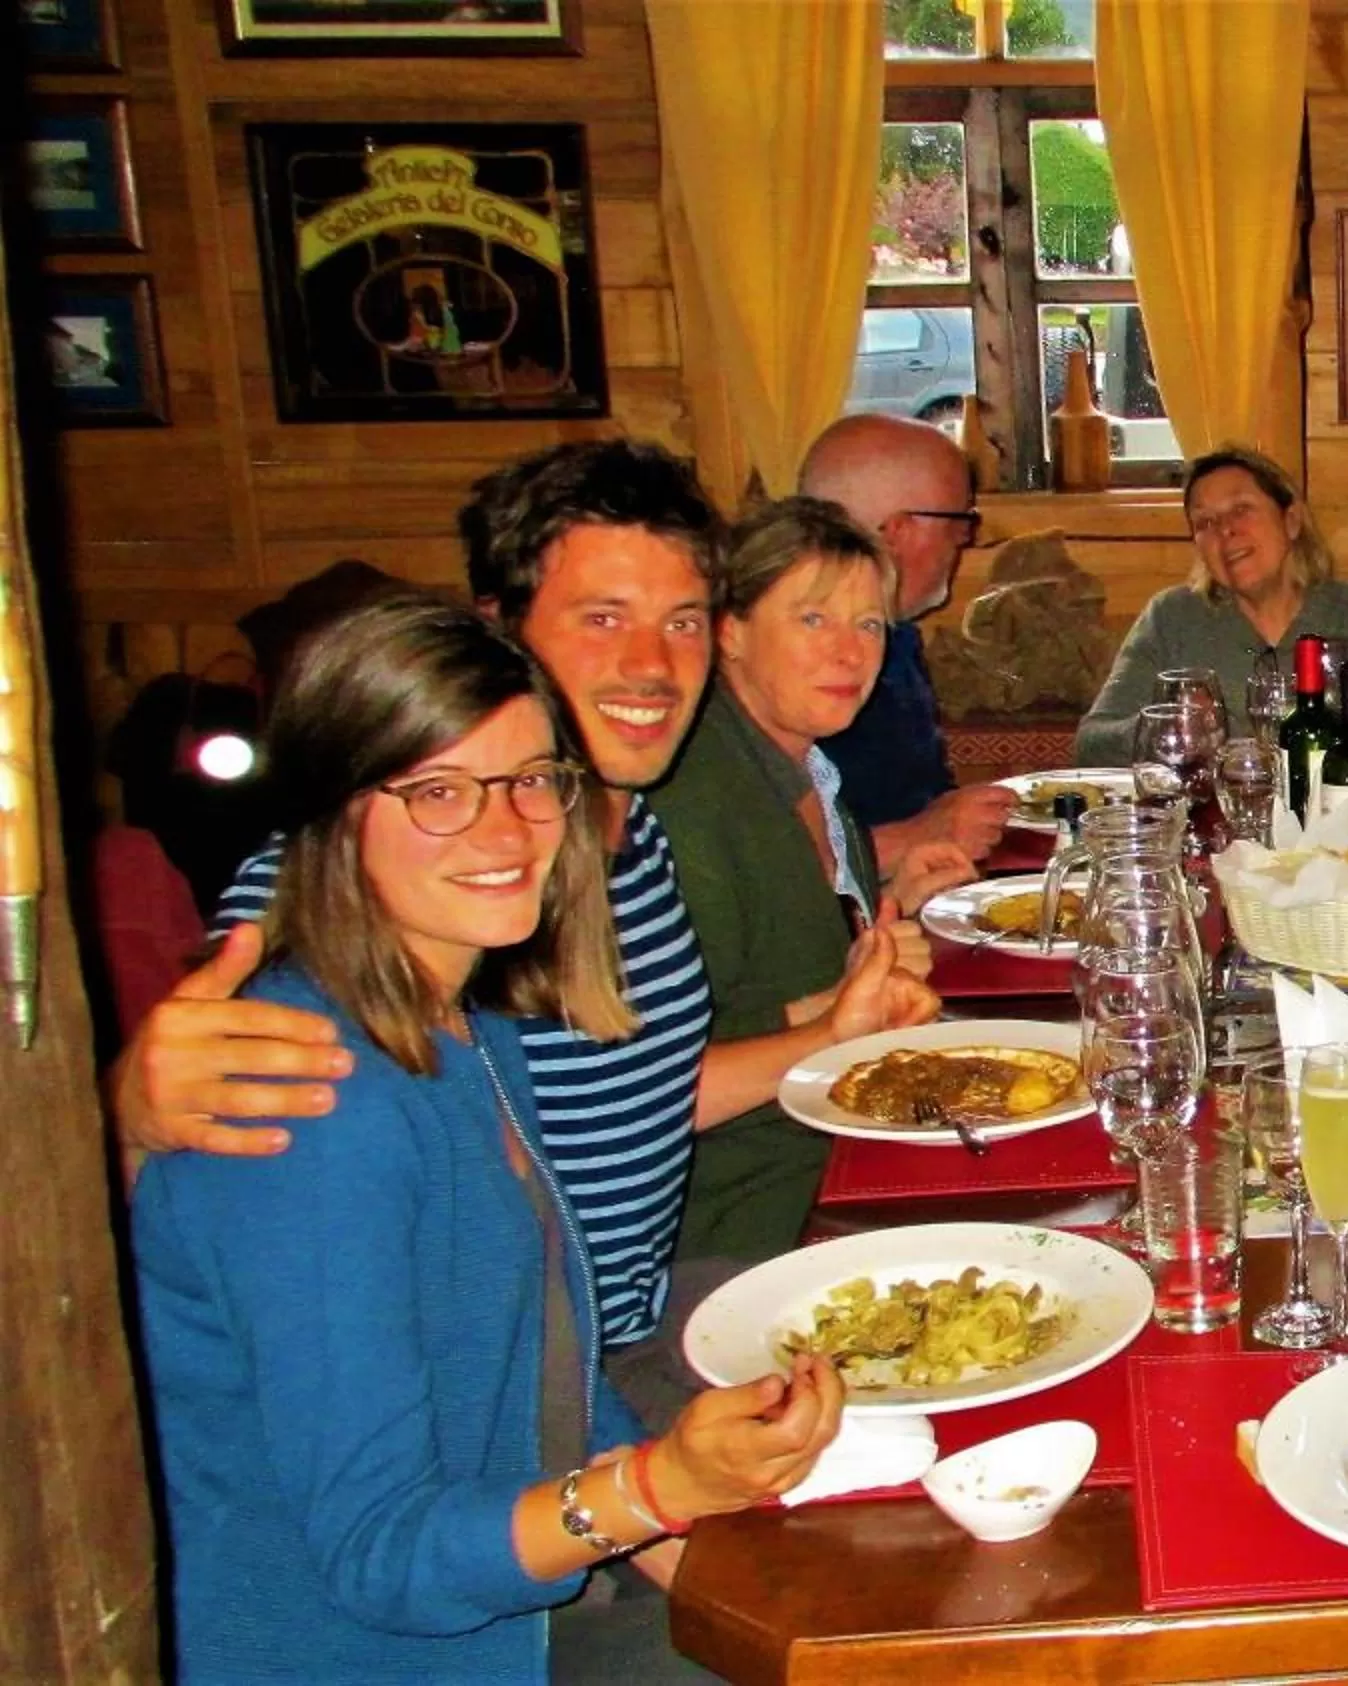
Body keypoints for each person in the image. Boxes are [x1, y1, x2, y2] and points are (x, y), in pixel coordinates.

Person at [112, 440, 936, 1425]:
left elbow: (635, 1097)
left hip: (634, 1330)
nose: (649, 665)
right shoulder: (422, 864)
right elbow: (212, 1125)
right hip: (510, 1417)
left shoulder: (628, 842)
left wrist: (826, 1039)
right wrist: (130, 1107)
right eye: (601, 619)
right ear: (503, 635)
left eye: (677, 621)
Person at [132, 596, 845, 1685]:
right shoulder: (309, 1102)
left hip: (509, 1609)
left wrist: (724, 1579)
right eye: (437, 792)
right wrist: (658, 1490)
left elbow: (544, 1380)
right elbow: (382, 1559)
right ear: (329, 815)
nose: (506, 832)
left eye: (529, 780)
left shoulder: (473, 1026)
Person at [649, 496, 976, 1261]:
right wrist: (832, 1009)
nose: (850, 654)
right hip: (752, 1207)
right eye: (812, 620)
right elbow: (651, 1077)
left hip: (842, 1140)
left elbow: (805, 957)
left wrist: (899, 906)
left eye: (868, 626)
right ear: (728, 631)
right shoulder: (690, 801)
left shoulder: (807, 770)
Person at [1074, 444, 1348, 764]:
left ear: (1292, 521)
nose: (1225, 530)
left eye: (1241, 509)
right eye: (1205, 522)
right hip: (1214, 824)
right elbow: (1091, 744)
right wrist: (1165, 728)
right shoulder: (1171, 618)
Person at [801, 413, 1016, 870]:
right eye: (961, 522)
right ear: (899, 530)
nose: (965, 540)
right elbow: (775, 870)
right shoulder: (781, 669)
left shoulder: (898, 640)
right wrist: (916, 837)